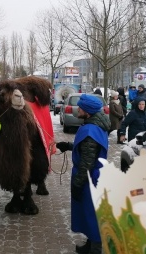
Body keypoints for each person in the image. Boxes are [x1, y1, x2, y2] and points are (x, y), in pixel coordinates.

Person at [55, 94, 110, 254]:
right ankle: (90, 244)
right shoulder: (95, 125)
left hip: (89, 179)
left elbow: (87, 162)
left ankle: (95, 249)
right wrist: (69, 145)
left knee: (92, 214)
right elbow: (88, 149)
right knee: (88, 212)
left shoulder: (90, 130)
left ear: (87, 111)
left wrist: (78, 184)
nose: (77, 109)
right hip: (95, 177)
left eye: (80, 107)